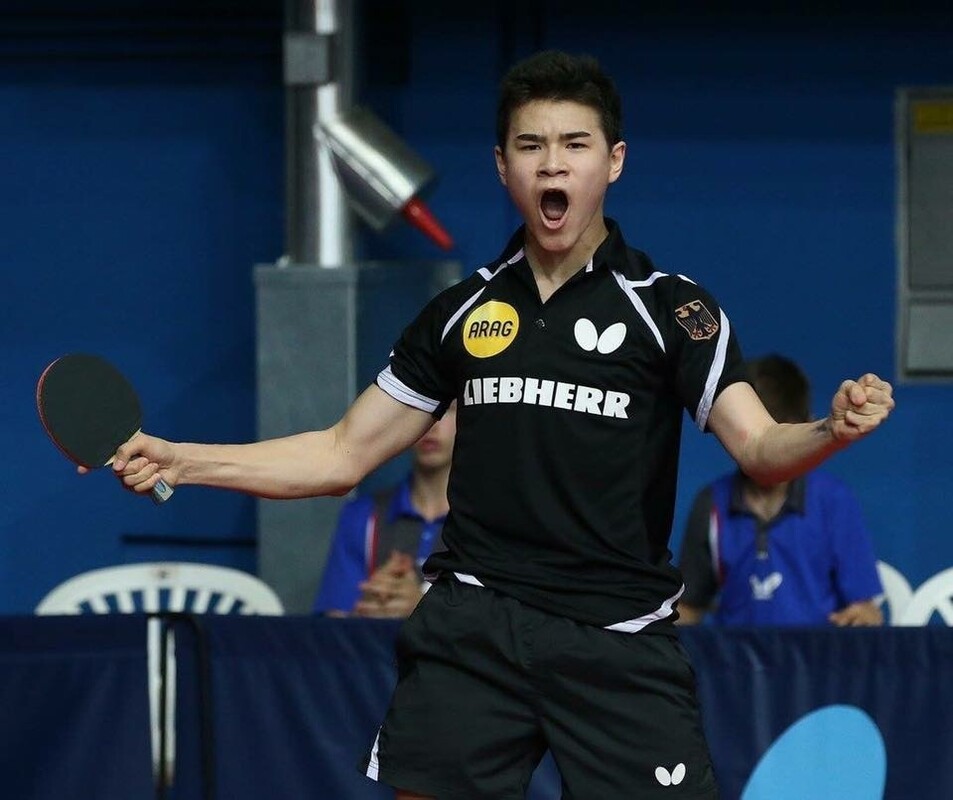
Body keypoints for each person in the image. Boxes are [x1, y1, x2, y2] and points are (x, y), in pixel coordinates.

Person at [98, 51, 894, 800]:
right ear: (502, 165)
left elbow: (759, 447)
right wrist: (182, 460)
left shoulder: (670, 310)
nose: (552, 165)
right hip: (475, 624)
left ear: (612, 161)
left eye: (574, 144)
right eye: (530, 145)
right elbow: (340, 454)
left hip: (616, 633)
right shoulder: (459, 313)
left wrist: (828, 429)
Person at [677, 355, 884, 627]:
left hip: (815, 654)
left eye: (784, 441)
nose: (774, 456)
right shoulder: (711, 502)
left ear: (809, 426)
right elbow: (688, 608)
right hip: (732, 654)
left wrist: (861, 617)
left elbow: (868, 611)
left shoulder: (833, 500)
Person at [313, 401, 456, 618]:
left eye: (446, 410)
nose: (432, 424)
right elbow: (335, 619)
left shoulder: (488, 521)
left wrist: (422, 609)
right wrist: (375, 600)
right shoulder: (363, 515)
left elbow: (499, 622)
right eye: (423, 408)